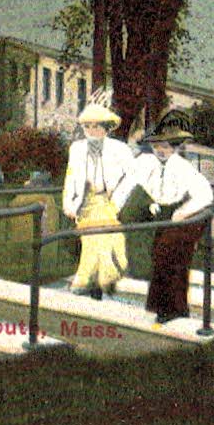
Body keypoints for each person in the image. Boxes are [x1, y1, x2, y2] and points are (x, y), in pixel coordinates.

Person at [136, 124, 214, 324]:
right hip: (165, 215)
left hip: (184, 218)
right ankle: (166, 307)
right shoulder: (153, 165)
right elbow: (150, 188)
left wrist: (183, 212)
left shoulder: (181, 166)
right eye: (156, 146)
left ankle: (174, 309)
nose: (161, 151)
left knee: (170, 257)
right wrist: (153, 203)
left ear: (175, 147)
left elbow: (205, 195)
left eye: (166, 146)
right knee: (159, 257)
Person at [63, 102, 136, 300]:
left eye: (96, 126)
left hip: (107, 201)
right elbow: (70, 177)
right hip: (85, 202)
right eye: (87, 126)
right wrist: (68, 204)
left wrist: (117, 201)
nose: (91, 131)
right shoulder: (77, 149)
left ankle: (85, 281)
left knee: (101, 237)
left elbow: (131, 177)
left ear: (105, 128)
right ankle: (104, 279)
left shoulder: (120, 149)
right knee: (92, 239)